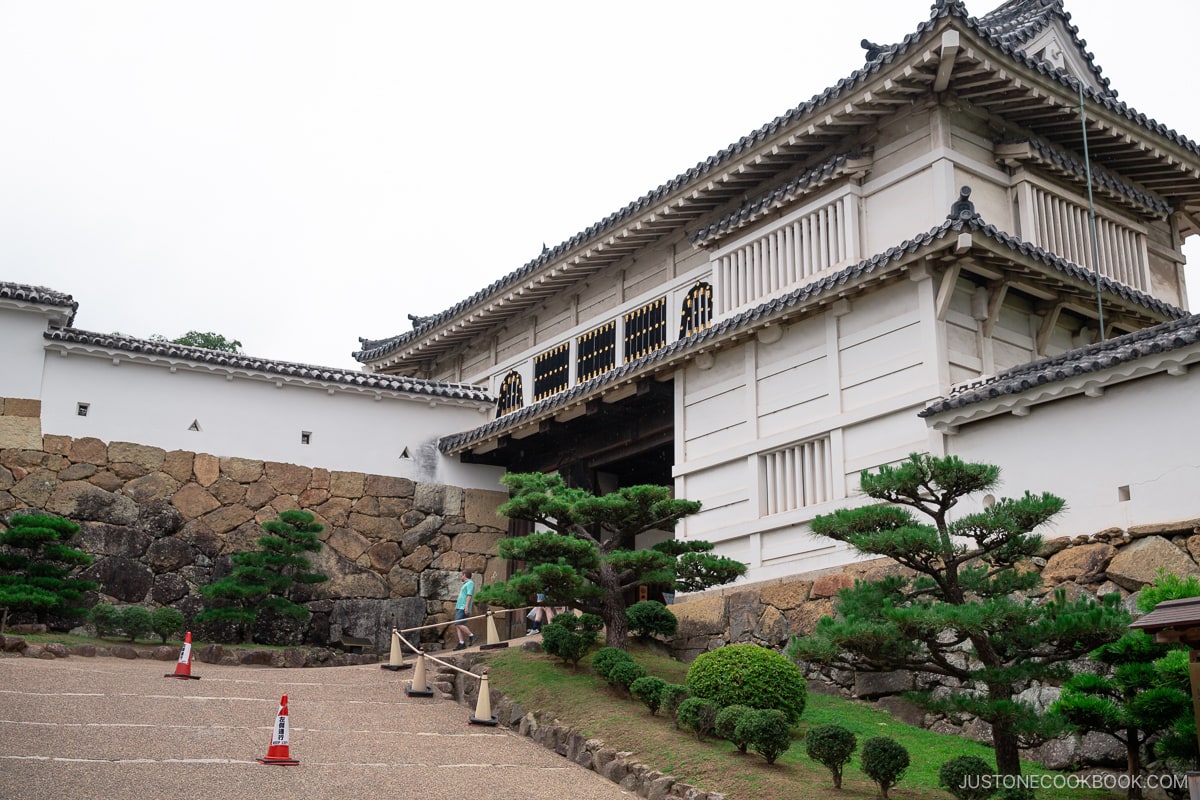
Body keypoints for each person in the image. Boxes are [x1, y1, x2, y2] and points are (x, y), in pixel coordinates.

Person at [453, 570, 476, 651]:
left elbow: (469, 595)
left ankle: (471, 635)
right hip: (460, 607)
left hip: (463, 607)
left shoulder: (470, 583)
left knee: (458, 623)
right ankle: (461, 643)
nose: (461, 577)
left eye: (462, 575)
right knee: (457, 625)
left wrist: (466, 607)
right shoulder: (466, 584)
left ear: (465, 575)